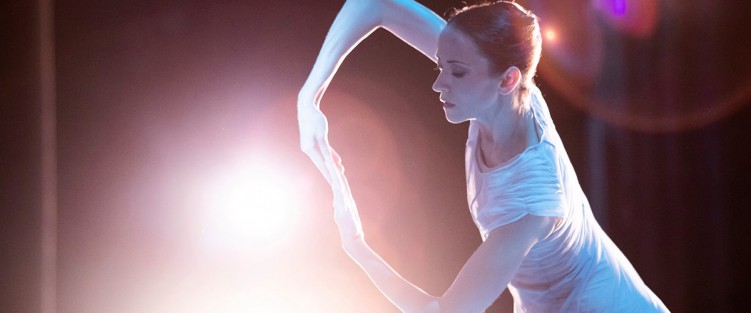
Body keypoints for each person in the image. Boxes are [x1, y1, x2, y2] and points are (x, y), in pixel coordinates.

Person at [298, 0, 670, 312]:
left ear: (507, 80)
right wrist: (309, 98)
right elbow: (375, 3)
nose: (438, 83)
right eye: (440, 65)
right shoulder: (511, 92)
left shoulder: (534, 203)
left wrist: (357, 248)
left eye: (456, 73)